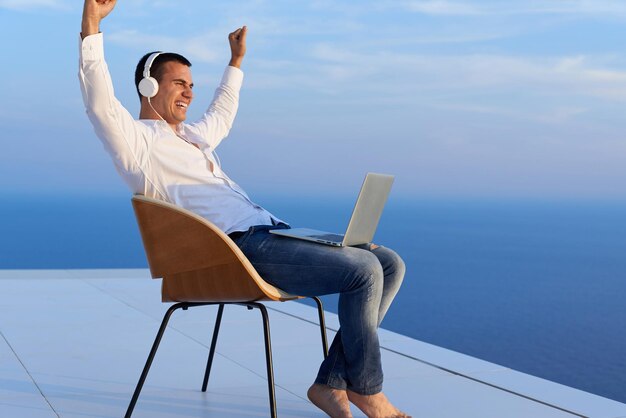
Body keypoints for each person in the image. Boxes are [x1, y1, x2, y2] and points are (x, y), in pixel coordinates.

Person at [79, 1, 409, 417]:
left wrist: (235, 61)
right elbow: (98, 101)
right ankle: (365, 389)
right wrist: (91, 24)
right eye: (179, 83)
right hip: (237, 251)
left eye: (191, 85)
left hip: (271, 233)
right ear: (148, 87)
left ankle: (331, 384)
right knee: (363, 271)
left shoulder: (194, 138)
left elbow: (223, 112)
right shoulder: (138, 144)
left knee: (389, 263)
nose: (189, 93)